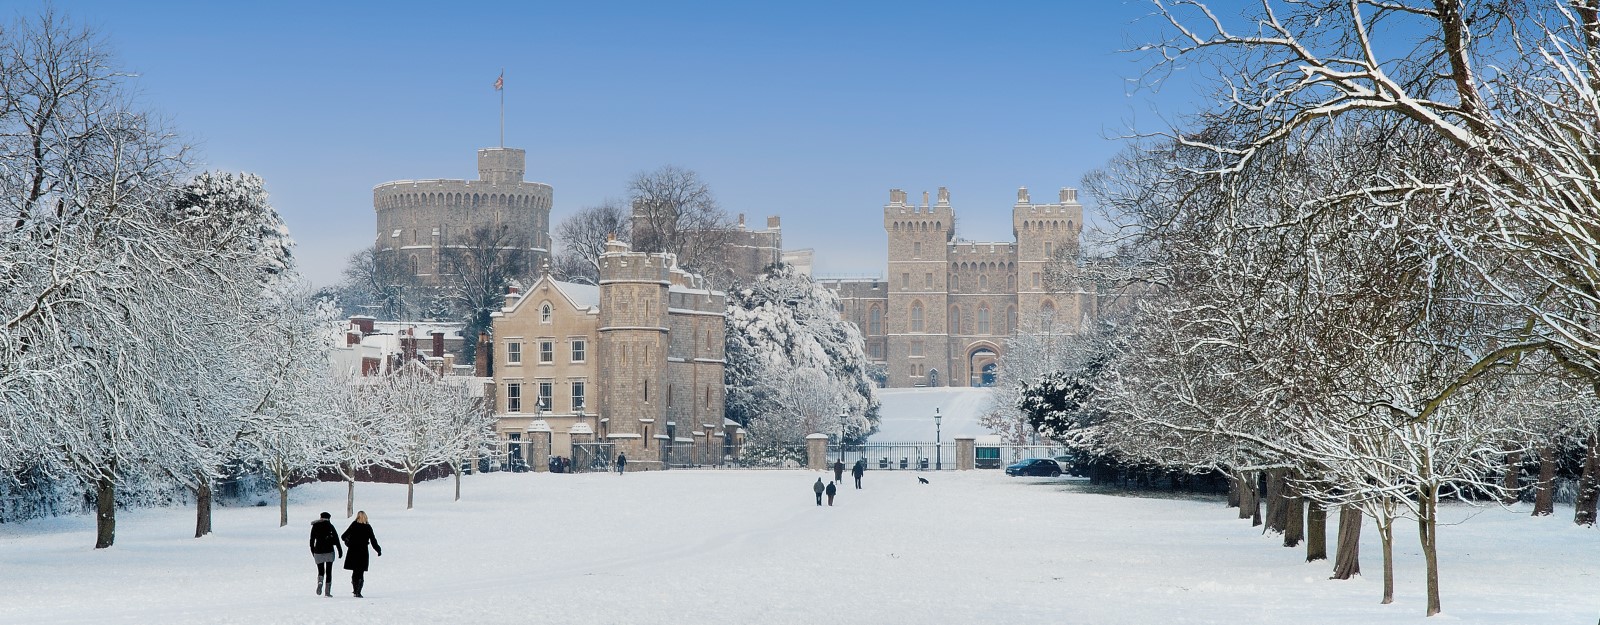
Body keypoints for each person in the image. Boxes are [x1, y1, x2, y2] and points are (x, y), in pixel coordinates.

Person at [341, 510, 382, 598]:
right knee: (360, 572)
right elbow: (373, 540)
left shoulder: (354, 525)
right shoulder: (368, 527)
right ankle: (358, 591)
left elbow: (343, 536)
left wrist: (348, 543)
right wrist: (378, 550)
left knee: (355, 571)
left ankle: (355, 590)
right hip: (363, 551)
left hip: (352, 551)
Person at [309, 511, 343, 597]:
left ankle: (320, 582)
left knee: (320, 570)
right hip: (329, 551)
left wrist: (313, 551)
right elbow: (336, 539)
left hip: (318, 551)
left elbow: (311, 540)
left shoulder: (315, 526)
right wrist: (339, 550)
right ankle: (327, 592)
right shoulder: (330, 526)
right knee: (329, 571)